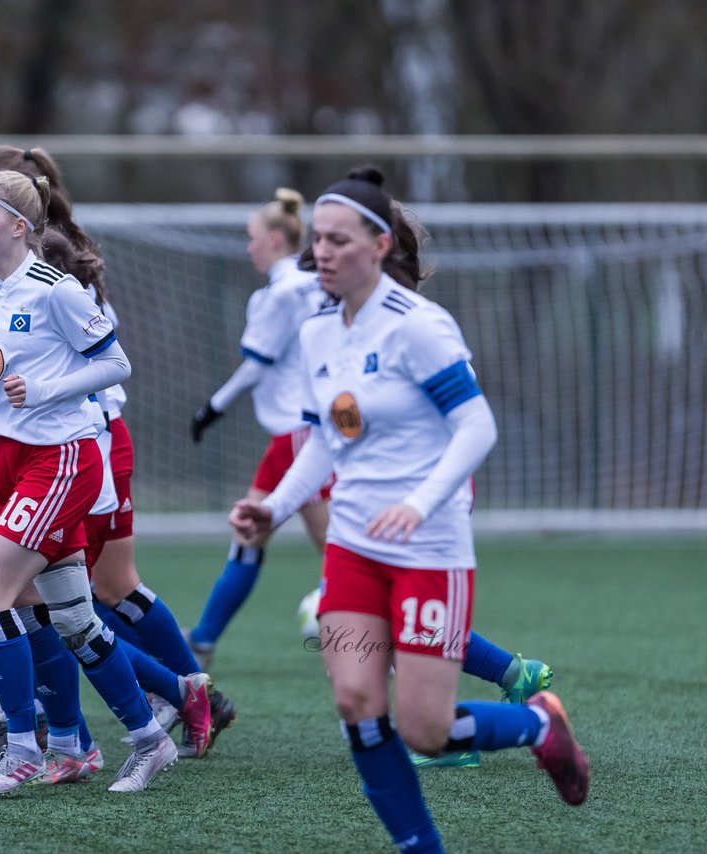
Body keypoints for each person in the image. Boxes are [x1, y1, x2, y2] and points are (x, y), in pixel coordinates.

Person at [230, 167, 589, 852]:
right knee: (355, 703)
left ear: (380, 243)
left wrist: (423, 504)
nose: (324, 252)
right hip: (353, 546)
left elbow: (477, 426)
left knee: (428, 728)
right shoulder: (315, 335)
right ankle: (421, 847)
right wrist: (272, 508)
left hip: (430, 546)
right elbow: (319, 443)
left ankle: (541, 725)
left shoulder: (419, 327)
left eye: (340, 240)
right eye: (319, 241)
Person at [0, 169, 179, 795]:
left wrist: (46, 389)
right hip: (10, 457)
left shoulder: (54, 290)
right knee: (74, 622)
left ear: (19, 227)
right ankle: (149, 739)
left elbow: (117, 363)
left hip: (61, 458)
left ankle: (23, 750)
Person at [186, 189, 330, 670]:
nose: (248, 248)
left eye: (251, 239)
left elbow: (254, 367)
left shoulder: (283, 291)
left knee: (343, 553)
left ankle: (390, 641)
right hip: (292, 436)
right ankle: (204, 638)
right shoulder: (310, 285)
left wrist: (212, 407)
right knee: (249, 535)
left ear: (273, 239)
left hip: (300, 436)